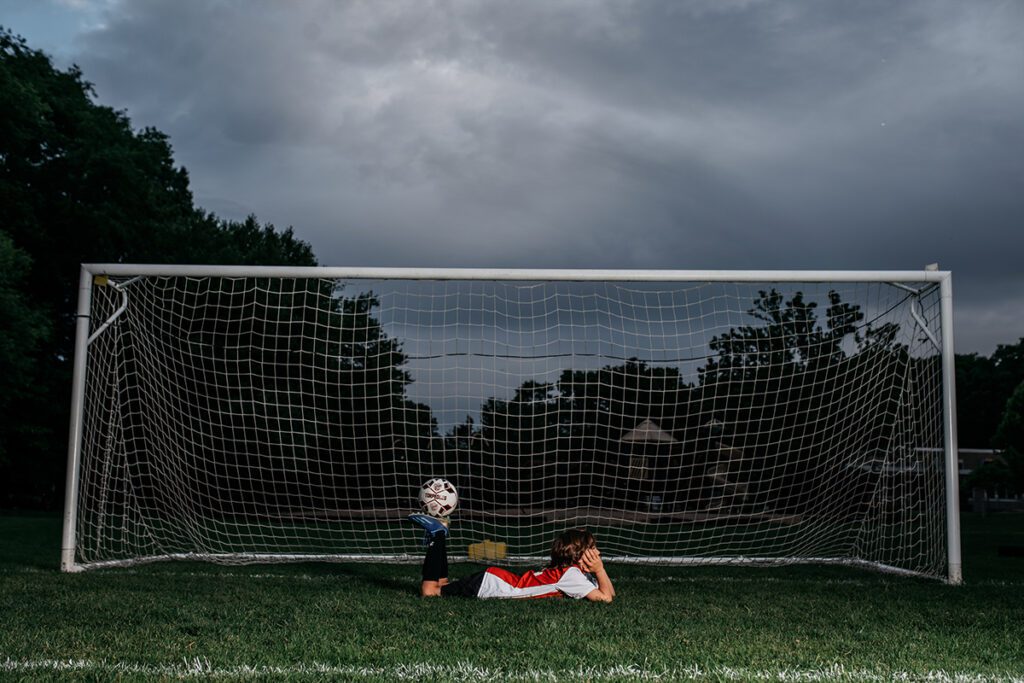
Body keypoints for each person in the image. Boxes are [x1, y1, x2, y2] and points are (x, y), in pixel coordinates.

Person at [407, 514, 616, 601]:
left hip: (494, 579)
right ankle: (437, 536)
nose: (598, 553)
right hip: (493, 585)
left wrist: (598, 572)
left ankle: (440, 534)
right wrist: (599, 570)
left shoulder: (572, 573)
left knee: (442, 584)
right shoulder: (572, 575)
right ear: (580, 556)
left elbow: (610, 592)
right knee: (430, 592)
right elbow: (605, 598)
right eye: (593, 549)